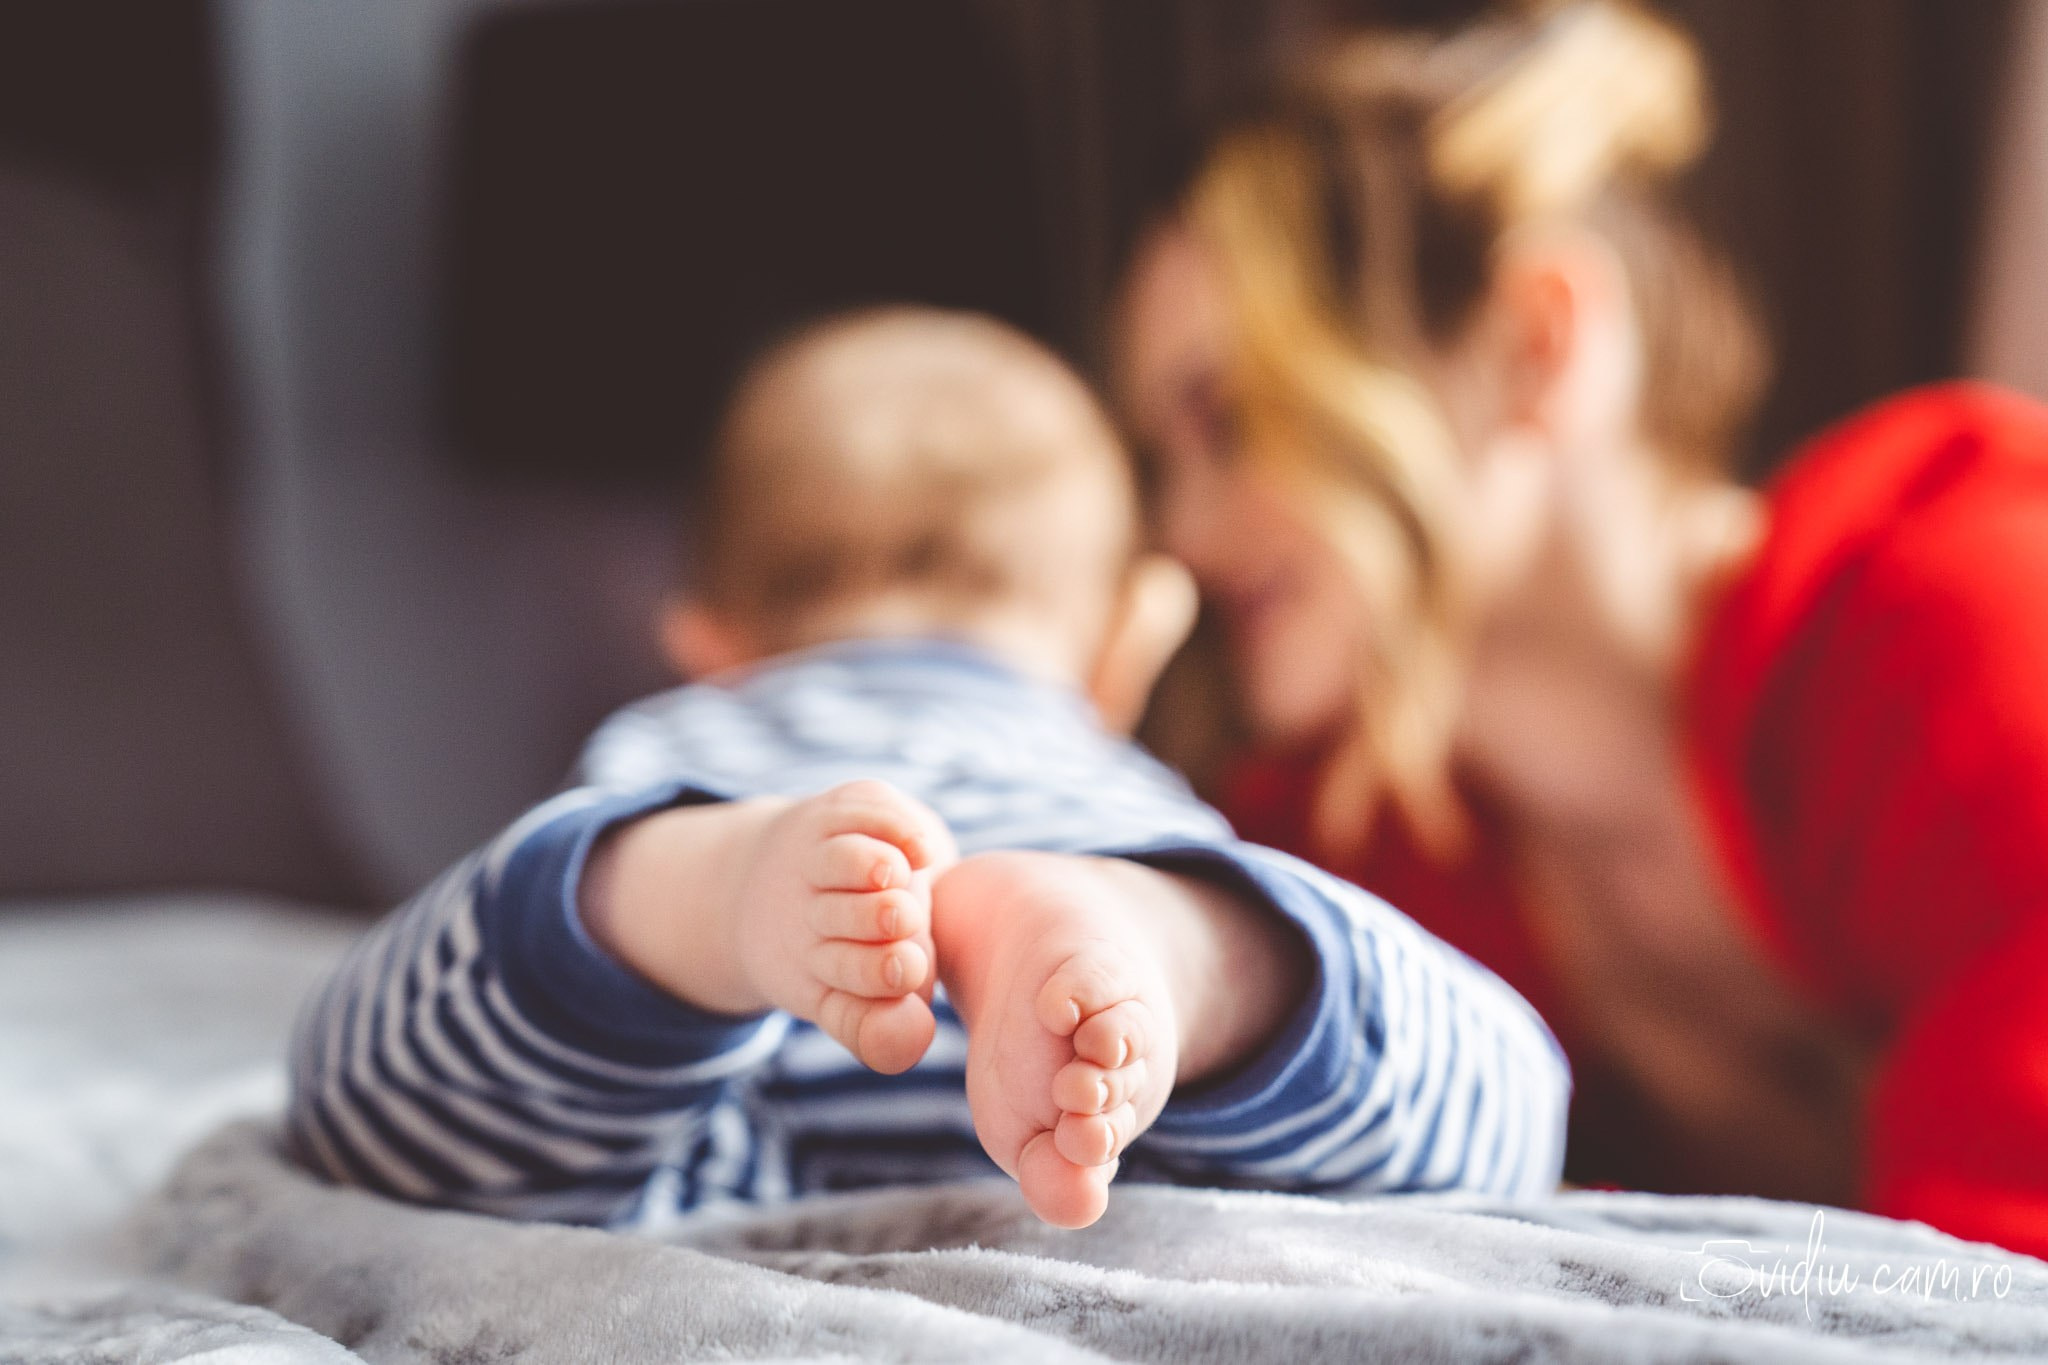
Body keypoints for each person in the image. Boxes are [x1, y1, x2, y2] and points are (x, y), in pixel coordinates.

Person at [287, 307, 1568, 1231]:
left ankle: (698, 897)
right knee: (1498, 1107)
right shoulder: (1099, 784)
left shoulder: (685, 743)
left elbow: (354, 1116)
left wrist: (713, 888)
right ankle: (1190, 960)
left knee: (386, 1073)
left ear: (705, 653)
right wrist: (1178, 925)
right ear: (1126, 647)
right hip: (1101, 1143)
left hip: (725, 1153)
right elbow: (1519, 1134)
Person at [1117, 0, 2048, 1257]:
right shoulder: (1349, 855)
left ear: (1535, 342)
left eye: (1231, 418)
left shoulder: (1973, 621)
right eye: (1161, 455)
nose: (1179, 531)